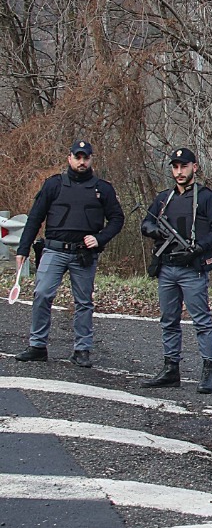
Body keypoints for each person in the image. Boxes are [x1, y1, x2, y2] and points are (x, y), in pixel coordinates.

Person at [14, 139, 125, 368]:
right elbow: (35, 218)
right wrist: (23, 249)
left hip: (84, 254)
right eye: (78, 157)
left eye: (86, 157)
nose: (82, 162)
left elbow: (117, 219)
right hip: (53, 250)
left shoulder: (102, 188)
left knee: (83, 302)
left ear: (91, 159)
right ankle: (37, 346)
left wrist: (100, 238)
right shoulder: (53, 185)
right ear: (70, 158)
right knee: (42, 294)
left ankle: (82, 350)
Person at [139, 148, 212, 393]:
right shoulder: (163, 198)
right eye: (175, 167)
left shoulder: (208, 198)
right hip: (167, 267)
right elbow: (146, 222)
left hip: (193, 268)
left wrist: (199, 248)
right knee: (168, 320)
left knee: (201, 321)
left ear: (194, 167)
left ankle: (208, 370)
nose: (179, 172)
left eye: (184, 166)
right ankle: (171, 369)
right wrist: (153, 230)